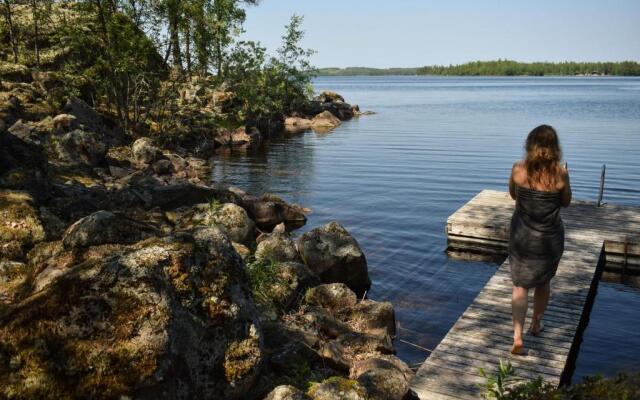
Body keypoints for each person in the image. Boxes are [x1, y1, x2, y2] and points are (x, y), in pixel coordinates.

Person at [507, 124, 572, 355]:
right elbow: (565, 202)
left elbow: (514, 195)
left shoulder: (517, 169)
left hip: (522, 237)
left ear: (530, 145)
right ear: (555, 147)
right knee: (543, 283)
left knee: (519, 286)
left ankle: (517, 336)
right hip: (549, 239)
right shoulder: (560, 173)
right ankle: (536, 324)